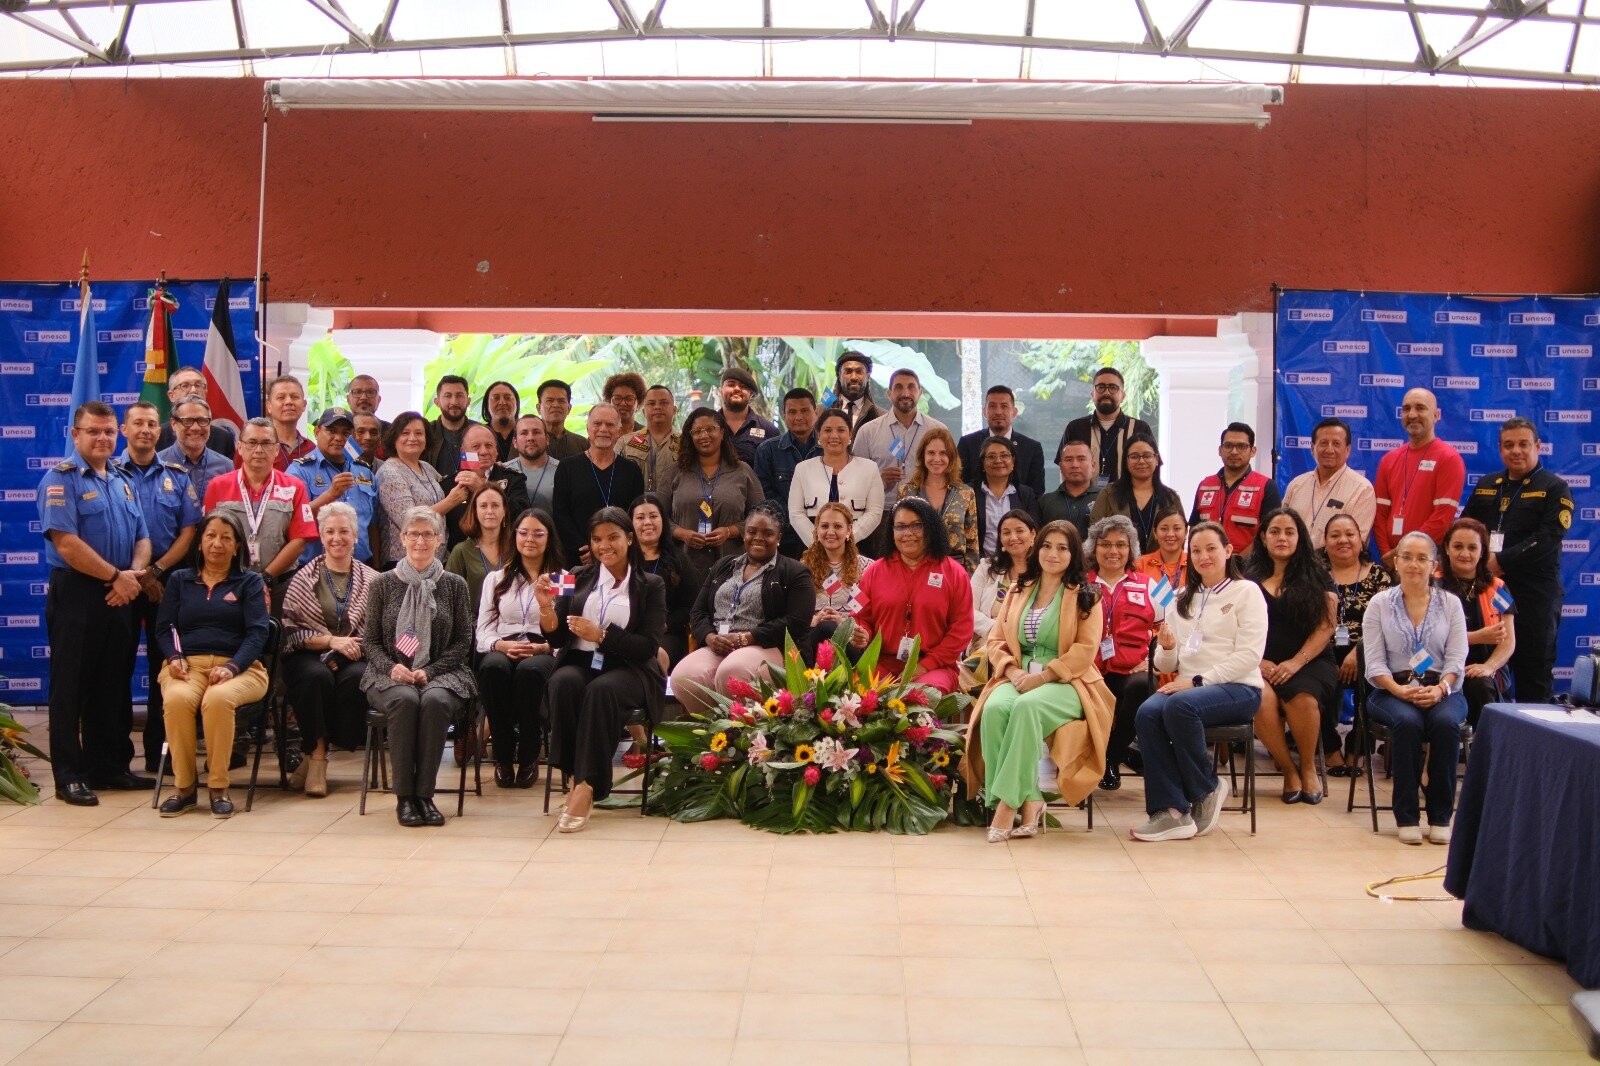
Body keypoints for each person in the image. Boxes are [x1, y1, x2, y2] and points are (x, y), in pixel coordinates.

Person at [961, 521, 1113, 841]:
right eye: (1046, 546)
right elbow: (996, 640)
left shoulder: (1087, 596)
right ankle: (1031, 799)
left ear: (1074, 554)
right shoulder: (1018, 589)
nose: (1052, 554)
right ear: (1036, 548)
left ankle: (1006, 804)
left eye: (1062, 547)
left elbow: (1085, 651)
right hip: (1017, 676)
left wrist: (1043, 676)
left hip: (1068, 682)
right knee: (994, 709)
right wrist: (1013, 671)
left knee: (1027, 707)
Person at [39, 401, 154, 806]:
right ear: (76, 435)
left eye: (108, 431)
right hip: (80, 593)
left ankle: (108, 766)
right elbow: (67, 544)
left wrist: (134, 576)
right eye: (93, 431)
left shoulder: (121, 479)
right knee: (70, 687)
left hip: (123, 589)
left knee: (112, 683)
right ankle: (69, 774)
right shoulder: (61, 480)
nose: (103, 438)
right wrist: (114, 577)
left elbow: (143, 535)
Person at [1131, 521, 1267, 842]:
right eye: (1196, 550)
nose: (1203, 556)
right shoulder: (1181, 598)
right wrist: (1166, 648)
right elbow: (1167, 663)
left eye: (1211, 549)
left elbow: (1249, 656)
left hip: (1238, 688)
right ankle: (1169, 811)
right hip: (1189, 688)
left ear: (1228, 551)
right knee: (1147, 712)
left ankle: (1207, 787)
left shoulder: (1247, 592)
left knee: (1179, 706)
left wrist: (1197, 681)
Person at [537, 507, 668, 833]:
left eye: (612, 537)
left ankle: (586, 787)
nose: (604, 545)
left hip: (630, 668)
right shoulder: (574, 576)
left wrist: (602, 636)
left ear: (629, 538)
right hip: (581, 662)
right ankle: (576, 776)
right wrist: (544, 607)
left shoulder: (651, 584)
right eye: (597, 539)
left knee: (601, 690)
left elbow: (648, 647)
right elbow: (555, 635)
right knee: (563, 682)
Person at [361, 506, 477, 828]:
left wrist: (432, 671)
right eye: (414, 534)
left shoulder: (454, 585)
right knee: (405, 699)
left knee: (435, 700)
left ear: (440, 540)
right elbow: (369, 643)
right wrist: (392, 668)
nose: (421, 541)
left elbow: (462, 642)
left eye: (428, 534)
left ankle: (425, 796)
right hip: (388, 673)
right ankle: (404, 798)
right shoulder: (382, 584)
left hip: (443, 672)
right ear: (402, 538)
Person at [152, 511, 271, 818]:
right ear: (200, 543)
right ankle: (185, 789)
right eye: (210, 536)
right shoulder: (180, 580)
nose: (217, 543)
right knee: (177, 700)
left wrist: (232, 667)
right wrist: (174, 657)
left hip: (241, 668)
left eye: (226, 538)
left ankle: (218, 787)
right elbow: (165, 628)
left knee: (217, 700)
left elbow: (258, 633)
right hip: (186, 666)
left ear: (237, 547)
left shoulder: (250, 582)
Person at [1362, 530, 1469, 845]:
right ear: (1396, 561)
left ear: (1434, 564)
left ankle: (1440, 817)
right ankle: (1406, 817)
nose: (1413, 564)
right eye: (1406, 556)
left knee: (1446, 723)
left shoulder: (1450, 603)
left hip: (1443, 688)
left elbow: (1456, 659)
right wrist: (1398, 690)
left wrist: (1440, 690)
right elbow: (1375, 663)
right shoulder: (1379, 603)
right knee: (1407, 722)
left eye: (1422, 558)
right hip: (1391, 688)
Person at [1460, 416, 1572, 703]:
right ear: (1500, 450)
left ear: (1538, 446)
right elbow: (1465, 529)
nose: (1516, 451)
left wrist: (1501, 561)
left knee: (1533, 672)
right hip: (1488, 594)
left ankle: (1534, 747)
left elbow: (1548, 537)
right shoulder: (1487, 484)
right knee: (1479, 669)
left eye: (1524, 444)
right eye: (1508, 445)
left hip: (1533, 595)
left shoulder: (1554, 487)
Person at [117, 401, 202, 774]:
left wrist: (156, 570)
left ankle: (161, 755)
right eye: (138, 423)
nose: (145, 430)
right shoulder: (108, 473)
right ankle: (116, 757)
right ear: (125, 430)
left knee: (164, 667)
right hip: (118, 582)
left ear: (160, 429)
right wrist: (137, 575)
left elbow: (188, 531)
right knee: (114, 669)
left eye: (152, 424)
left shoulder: (176, 475)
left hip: (165, 582)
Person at [671, 502, 816, 716]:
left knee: (732, 672)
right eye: (752, 531)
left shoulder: (794, 572)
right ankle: (714, 734)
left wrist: (747, 638)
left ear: (779, 538)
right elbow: (698, 612)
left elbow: (797, 622)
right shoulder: (725, 566)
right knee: (683, 677)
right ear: (744, 535)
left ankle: (745, 739)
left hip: (768, 645)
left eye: (767, 533)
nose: (758, 537)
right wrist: (710, 638)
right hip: (720, 644)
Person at [281, 502, 378, 798]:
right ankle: (319, 756)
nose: (337, 538)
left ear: (356, 535)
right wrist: (330, 641)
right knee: (316, 678)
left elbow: (378, 630)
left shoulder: (373, 579)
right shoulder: (303, 577)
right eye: (330, 532)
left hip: (354, 654)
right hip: (307, 653)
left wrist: (348, 646)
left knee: (356, 679)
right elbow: (291, 628)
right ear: (321, 536)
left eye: (344, 531)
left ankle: (311, 757)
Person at [1245, 508, 1339, 805]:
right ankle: (1289, 770)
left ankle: (1308, 767)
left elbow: (1326, 627)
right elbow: (1233, 627)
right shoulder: (1246, 577)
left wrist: (1296, 662)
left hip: (1310, 661)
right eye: (1274, 531)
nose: (1281, 538)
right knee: (1259, 699)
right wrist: (1258, 662)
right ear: (1263, 536)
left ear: (1300, 537)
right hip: (1259, 663)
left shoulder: (1318, 575)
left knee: (1303, 697)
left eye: (1289, 532)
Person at [476, 508, 563, 789]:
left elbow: (567, 632)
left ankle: (528, 756)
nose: (530, 539)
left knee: (529, 672)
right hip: (503, 645)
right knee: (491, 667)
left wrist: (542, 649)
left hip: (543, 649)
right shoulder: (496, 578)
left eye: (538, 533)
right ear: (514, 536)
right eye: (523, 532)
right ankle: (502, 756)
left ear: (549, 538)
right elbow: (483, 631)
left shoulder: (563, 580)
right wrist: (500, 644)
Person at [850, 497, 974, 693]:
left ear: (930, 528)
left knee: (920, 695)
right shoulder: (873, 571)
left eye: (916, 526)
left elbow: (962, 630)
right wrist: (861, 632)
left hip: (934, 667)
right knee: (858, 695)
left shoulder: (955, 573)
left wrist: (925, 665)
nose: (907, 533)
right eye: (900, 527)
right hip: (883, 664)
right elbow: (857, 615)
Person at [1084, 515, 1157, 792]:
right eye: (1105, 544)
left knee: (1144, 685)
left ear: (1131, 549)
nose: (1113, 551)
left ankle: (1111, 758)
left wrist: (1153, 660)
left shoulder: (1151, 585)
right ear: (1094, 548)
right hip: (1090, 670)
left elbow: (1171, 627)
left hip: (1131, 670)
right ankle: (1118, 753)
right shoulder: (1079, 584)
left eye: (1120, 545)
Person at [203, 417, 316, 594]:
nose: (258, 450)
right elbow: (207, 538)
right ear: (239, 447)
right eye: (252, 443)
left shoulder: (294, 486)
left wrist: (265, 578)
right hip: (229, 583)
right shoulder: (217, 486)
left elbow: (299, 540)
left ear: (277, 449)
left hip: (280, 585)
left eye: (266, 443)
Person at [1320, 512, 1392, 778]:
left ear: (1361, 541)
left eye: (1350, 534)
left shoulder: (1379, 577)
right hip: (1323, 650)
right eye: (1335, 535)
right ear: (1325, 542)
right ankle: (1329, 750)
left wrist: (1356, 652)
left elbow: (1385, 625)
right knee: (1316, 684)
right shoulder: (1314, 576)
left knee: (1371, 685)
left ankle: (1358, 750)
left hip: (1368, 649)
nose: (1343, 540)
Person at [659, 407, 764, 584]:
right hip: (683, 569)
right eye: (697, 431)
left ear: (722, 432)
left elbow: (762, 516)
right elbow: (657, 518)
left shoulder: (743, 471)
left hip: (733, 568)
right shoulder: (674, 473)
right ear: (690, 437)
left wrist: (730, 531)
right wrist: (682, 533)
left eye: (710, 429)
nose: (704, 435)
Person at [1438, 518, 1517, 728]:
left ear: (1483, 551)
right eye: (1458, 546)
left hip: (1481, 667)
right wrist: (1476, 637)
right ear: (1446, 548)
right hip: (1438, 665)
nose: (1465, 553)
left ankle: (1484, 751)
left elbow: (1508, 641)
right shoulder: (1431, 585)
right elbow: (1426, 638)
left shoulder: (1498, 587)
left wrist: (1488, 666)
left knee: (1481, 685)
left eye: (1472, 547)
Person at [1372, 387, 1466, 559]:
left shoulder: (1449, 458)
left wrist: (1405, 552)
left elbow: (1442, 518)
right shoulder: (1388, 460)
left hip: (1426, 559)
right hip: (1392, 560)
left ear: (1436, 415)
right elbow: (1379, 515)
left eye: (1420, 408)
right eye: (1406, 409)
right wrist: (1387, 554)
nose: (1412, 414)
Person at [551, 403, 646, 568]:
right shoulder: (567, 467)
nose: (603, 429)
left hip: (620, 557)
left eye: (610, 425)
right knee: (563, 594)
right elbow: (561, 514)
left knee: (620, 594)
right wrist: (585, 548)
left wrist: (613, 546)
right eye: (597, 423)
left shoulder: (631, 470)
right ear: (588, 428)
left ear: (619, 430)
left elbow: (635, 515)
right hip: (575, 558)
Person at [286, 407, 378, 566]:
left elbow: (373, 525)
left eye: (345, 433)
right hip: (315, 568)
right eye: (332, 431)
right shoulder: (299, 471)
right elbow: (292, 518)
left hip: (363, 567)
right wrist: (329, 495)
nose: (338, 437)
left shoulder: (364, 472)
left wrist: (376, 565)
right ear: (316, 432)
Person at [374, 412, 467, 568]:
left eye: (419, 433)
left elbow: (451, 484)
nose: (412, 438)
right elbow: (409, 520)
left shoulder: (427, 468)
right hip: (403, 563)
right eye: (405, 433)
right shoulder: (389, 472)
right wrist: (451, 501)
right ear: (394, 438)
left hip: (435, 559)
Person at [788, 408, 883, 550]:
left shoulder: (869, 468)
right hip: (813, 548)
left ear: (850, 434)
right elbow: (796, 513)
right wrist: (818, 542)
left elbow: (874, 512)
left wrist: (847, 538)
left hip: (857, 546)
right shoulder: (803, 469)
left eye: (840, 430)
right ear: (818, 435)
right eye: (827, 430)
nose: (834, 436)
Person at [853, 368, 949, 507]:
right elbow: (855, 478)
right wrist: (879, 481)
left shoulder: (938, 430)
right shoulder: (868, 431)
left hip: (926, 511)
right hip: (881, 512)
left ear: (920, 393)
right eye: (898, 387)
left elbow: (949, 473)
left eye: (911, 387)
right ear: (889, 393)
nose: (905, 393)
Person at [1281, 417, 1375, 550]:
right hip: (1293, 566)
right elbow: (1282, 528)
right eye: (1323, 443)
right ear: (1313, 448)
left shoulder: (1362, 489)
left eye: (1336, 444)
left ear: (1348, 450)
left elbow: (1355, 543)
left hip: (1334, 568)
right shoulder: (1297, 484)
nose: (1329, 450)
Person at [1190, 422, 1282, 555]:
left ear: (1253, 451)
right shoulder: (1205, 485)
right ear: (1220, 450)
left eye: (1241, 446)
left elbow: (1270, 534)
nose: (1234, 451)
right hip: (1208, 565)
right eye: (1228, 446)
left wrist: (1236, 563)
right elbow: (1194, 527)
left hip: (1249, 569)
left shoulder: (1266, 486)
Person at [630, 492, 699, 667]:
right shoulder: (622, 560)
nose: (647, 522)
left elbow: (691, 607)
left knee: (655, 654)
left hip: (667, 634)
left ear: (663, 521)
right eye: (640, 517)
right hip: (626, 631)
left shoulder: (679, 560)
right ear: (630, 524)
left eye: (653, 516)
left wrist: (665, 625)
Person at [799, 501, 872, 663]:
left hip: (851, 638)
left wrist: (843, 623)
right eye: (824, 526)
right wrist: (816, 619)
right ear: (817, 530)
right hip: (814, 637)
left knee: (831, 627)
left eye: (837, 526)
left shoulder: (867, 568)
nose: (830, 532)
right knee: (825, 626)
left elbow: (869, 615)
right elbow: (796, 614)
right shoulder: (802, 568)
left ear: (849, 530)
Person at [898, 425, 978, 572]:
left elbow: (972, 544)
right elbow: (898, 534)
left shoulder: (966, 493)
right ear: (922, 456)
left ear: (951, 457)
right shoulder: (907, 492)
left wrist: (970, 581)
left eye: (943, 453)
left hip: (954, 570)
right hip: (915, 568)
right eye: (931, 453)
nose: (937, 459)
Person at [1088, 433, 1184, 552]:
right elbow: (1094, 535)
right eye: (1134, 456)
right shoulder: (1109, 494)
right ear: (1126, 461)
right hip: (1119, 567)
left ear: (1157, 459)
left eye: (1147, 455)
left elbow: (1181, 539)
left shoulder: (1171, 498)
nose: (1141, 461)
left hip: (1160, 568)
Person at [754, 387, 821, 557]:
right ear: (784, 415)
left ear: (816, 412)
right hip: (785, 537)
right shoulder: (767, 450)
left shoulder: (828, 448)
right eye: (792, 412)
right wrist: (798, 519)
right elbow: (764, 494)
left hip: (823, 534)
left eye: (805, 411)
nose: (798, 417)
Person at [1059, 367, 1153, 487]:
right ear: (1093, 394)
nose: (1106, 392)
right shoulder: (1075, 428)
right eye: (1101, 387)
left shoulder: (1140, 429)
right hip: (1084, 503)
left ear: (1123, 395)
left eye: (1113, 388)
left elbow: (1152, 467)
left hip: (1127, 502)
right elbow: (1064, 467)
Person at [444, 424, 529, 547]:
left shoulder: (514, 479)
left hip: (504, 554)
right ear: (463, 451)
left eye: (489, 446)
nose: (483, 451)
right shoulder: (450, 484)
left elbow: (521, 517)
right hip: (460, 558)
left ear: (496, 450)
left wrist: (482, 489)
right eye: (475, 446)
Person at [958, 385, 1047, 498]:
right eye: (992, 406)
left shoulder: (1032, 448)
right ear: (984, 411)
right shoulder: (967, 444)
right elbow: (960, 485)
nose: (998, 412)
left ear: (1014, 412)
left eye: (1004, 406)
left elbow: (1037, 492)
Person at [970, 509, 1037, 645]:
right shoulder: (987, 567)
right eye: (1006, 533)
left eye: (1019, 531)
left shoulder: (1043, 572)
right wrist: (997, 630)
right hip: (987, 641)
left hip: (1027, 645)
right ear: (1000, 539)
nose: (1013, 537)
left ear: (1033, 534)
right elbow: (968, 609)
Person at [446, 482, 512, 619]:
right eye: (483, 506)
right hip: (473, 628)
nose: (489, 511)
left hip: (511, 627)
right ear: (475, 511)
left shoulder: (516, 549)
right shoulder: (461, 551)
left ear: (504, 511)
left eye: (495, 505)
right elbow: (449, 599)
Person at [158, 396, 234, 505]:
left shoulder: (225, 466)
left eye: (202, 420)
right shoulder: (158, 464)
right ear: (174, 424)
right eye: (187, 421)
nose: (195, 428)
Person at [974, 436, 1043, 558]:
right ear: (983, 463)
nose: (998, 460)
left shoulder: (1026, 494)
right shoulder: (969, 493)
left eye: (1004, 455)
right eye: (991, 456)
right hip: (978, 566)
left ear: (1013, 462)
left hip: (1018, 563)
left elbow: (1033, 532)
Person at [155, 365, 236, 458]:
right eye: (185, 386)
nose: (193, 390)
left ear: (205, 393)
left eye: (198, 385)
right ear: (171, 395)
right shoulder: (157, 436)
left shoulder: (223, 438)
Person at [622, 384, 680, 495]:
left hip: (675, 509)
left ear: (674, 410)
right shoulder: (626, 442)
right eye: (651, 403)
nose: (657, 407)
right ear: (644, 412)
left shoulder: (687, 443)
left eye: (663, 403)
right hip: (638, 509)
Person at [716, 366, 780, 465]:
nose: (737, 389)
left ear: (751, 394)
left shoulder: (769, 430)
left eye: (743, 386)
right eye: (731, 384)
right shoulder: (707, 427)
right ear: (720, 391)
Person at [422, 374, 480, 481]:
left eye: (459, 395)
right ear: (437, 402)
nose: (454, 402)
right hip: (436, 496)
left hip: (474, 494)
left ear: (468, 401)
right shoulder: (425, 432)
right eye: (448, 396)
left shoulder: (480, 432)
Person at [1039, 439, 1101, 538]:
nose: (1075, 465)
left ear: (1093, 466)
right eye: (1069, 460)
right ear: (1060, 467)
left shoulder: (1105, 499)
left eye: (1081, 459)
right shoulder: (1045, 502)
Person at [504, 414, 559, 512]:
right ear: (515, 442)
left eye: (536, 432)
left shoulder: (562, 471)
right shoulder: (503, 471)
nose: (530, 438)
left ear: (547, 439)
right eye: (524, 433)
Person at [261, 374, 315, 472]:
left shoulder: (311, 449)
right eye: (281, 397)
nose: (289, 402)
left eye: (294, 397)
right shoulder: (255, 446)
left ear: (304, 405)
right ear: (269, 406)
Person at [1135, 507, 1188, 594]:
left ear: (1186, 532)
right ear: (1155, 533)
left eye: (1177, 528)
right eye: (1164, 529)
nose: (1170, 534)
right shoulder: (1140, 565)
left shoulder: (1195, 564)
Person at [830, 349, 882, 433]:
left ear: (867, 377)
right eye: (848, 371)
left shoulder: (880, 417)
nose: (854, 377)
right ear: (839, 376)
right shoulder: (821, 412)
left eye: (859, 372)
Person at [537, 379, 588, 461]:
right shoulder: (528, 441)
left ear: (569, 408)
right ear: (539, 408)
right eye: (549, 401)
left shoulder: (581, 443)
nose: (555, 405)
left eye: (561, 401)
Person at [480, 380, 521, 462]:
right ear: (487, 405)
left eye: (508, 398)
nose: (502, 402)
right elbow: (468, 469)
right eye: (495, 398)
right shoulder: (474, 434)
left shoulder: (529, 432)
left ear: (517, 403)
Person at [345, 374, 389, 445]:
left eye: (370, 392)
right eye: (358, 392)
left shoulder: (391, 432)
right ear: (348, 399)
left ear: (379, 399)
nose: (363, 397)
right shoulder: (339, 430)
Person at [603, 372, 647, 439]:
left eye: (629, 399)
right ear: (609, 401)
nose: (623, 403)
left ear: (638, 403)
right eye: (617, 398)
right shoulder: (601, 433)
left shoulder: (645, 434)